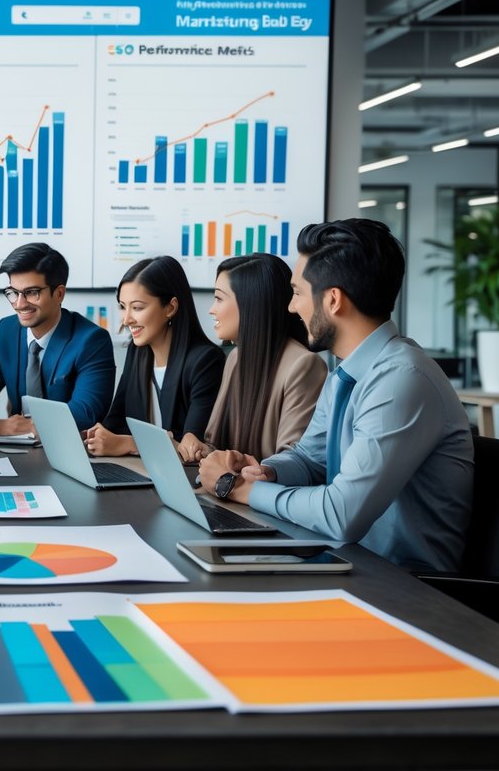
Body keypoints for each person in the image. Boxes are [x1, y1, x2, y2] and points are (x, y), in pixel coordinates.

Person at [198, 219, 473, 572]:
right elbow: (310, 460)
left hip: (402, 585)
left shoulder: (402, 379)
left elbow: (342, 514)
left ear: (332, 300)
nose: (291, 307)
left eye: (296, 292)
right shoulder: (348, 371)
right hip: (346, 559)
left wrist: (239, 490)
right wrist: (263, 473)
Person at [0, 243, 115, 435]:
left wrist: (26, 427)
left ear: (59, 294)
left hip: (70, 453)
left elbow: (85, 413)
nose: (19, 303)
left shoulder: (91, 340)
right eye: (13, 293)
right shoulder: (5, 331)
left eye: (32, 292)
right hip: (14, 451)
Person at [84, 256, 224, 457]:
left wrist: (132, 444)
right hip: (141, 472)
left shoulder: (206, 361)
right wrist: (96, 436)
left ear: (170, 307)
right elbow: (115, 423)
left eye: (137, 308)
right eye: (123, 306)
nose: (127, 319)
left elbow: (193, 450)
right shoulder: (138, 352)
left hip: (184, 480)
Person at [199, 253, 327, 461]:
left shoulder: (304, 365)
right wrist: (200, 449)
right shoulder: (236, 358)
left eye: (219, 299)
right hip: (224, 487)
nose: (212, 310)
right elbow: (215, 442)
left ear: (251, 303)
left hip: (259, 490)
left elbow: (292, 462)